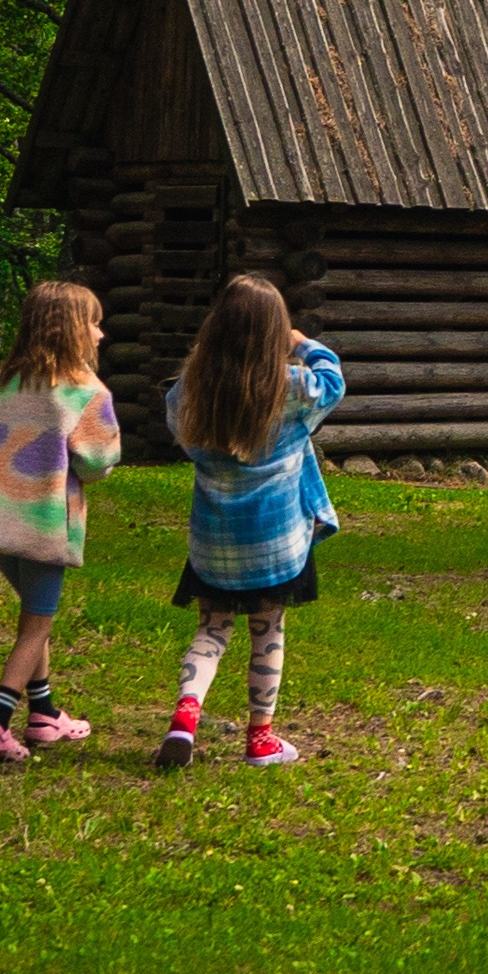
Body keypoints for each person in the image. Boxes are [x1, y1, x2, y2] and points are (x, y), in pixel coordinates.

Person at [160, 272, 344, 769]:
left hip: (214, 544)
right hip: (274, 546)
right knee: (267, 632)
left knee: (211, 630)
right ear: (275, 333)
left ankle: (184, 720)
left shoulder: (193, 390)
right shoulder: (292, 388)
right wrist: (303, 344)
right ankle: (260, 739)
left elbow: (177, 425)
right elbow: (334, 382)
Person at [0, 279, 121, 760]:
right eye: (95, 323)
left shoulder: (0, 381)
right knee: (36, 627)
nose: (101, 334)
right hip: (44, 525)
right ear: (74, 329)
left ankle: (44, 714)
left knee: (32, 612)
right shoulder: (87, 392)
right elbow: (97, 463)